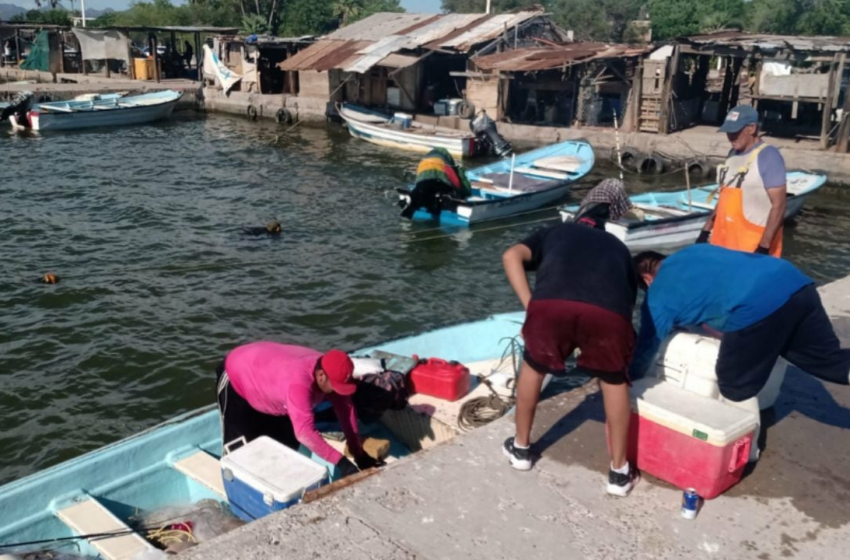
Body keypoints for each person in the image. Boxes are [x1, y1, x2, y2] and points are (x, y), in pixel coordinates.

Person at [500, 190, 640, 497]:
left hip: (551, 305)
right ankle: (619, 473)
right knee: (614, 381)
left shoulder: (555, 231)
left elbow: (511, 256)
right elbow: (627, 302)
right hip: (609, 314)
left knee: (534, 367)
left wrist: (531, 306)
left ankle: (521, 450)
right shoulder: (618, 247)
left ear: (579, 215)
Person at [631, 245, 850, 403]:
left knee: (734, 386)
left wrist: (630, 380)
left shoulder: (657, 296)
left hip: (758, 306)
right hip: (796, 282)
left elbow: (647, 346)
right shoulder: (692, 251)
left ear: (647, 279)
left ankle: (746, 445)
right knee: (826, 360)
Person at [215, 342, 380, 474]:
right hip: (237, 374)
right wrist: (342, 463)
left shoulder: (328, 370)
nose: (338, 393)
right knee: (238, 451)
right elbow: (305, 433)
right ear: (321, 376)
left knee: (286, 445)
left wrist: (358, 453)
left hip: (273, 384)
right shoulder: (298, 385)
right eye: (336, 387)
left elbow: (346, 410)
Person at [698, 105, 787, 257]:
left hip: (752, 247)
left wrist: (764, 246)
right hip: (724, 243)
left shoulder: (769, 156)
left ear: (751, 128)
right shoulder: (732, 154)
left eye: (735, 131)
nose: (730, 136)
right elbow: (724, 197)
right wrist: (706, 230)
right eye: (728, 132)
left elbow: (779, 205)